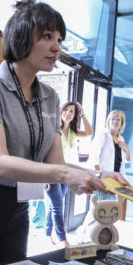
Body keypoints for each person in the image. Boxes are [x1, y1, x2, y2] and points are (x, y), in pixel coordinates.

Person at [0, 1, 126, 265]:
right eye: (47, 36)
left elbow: (56, 163)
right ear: (20, 38)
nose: (57, 47)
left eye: (59, 39)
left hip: (16, 208)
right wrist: (65, 175)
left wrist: (99, 175)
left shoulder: (49, 97)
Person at [44, 101, 93, 246]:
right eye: (66, 110)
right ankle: (62, 239)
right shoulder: (54, 130)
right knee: (58, 207)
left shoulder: (72, 132)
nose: (68, 113)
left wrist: (83, 114)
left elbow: (90, 132)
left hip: (66, 174)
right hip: (52, 173)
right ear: (60, 112)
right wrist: (44, 178)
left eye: (72, 111)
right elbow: (44, 152)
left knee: (55, 205)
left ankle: (47, 233)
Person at [89, 109, 131, 198]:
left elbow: (126, 161)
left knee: (112, 205)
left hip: (117, 181)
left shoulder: (121, 139)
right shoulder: (103, 135)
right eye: (113, 119)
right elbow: (94, 158)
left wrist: (127, 148)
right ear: (108, 121)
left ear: (122, 123)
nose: (115, 121)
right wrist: (100, 177)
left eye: (118, 119)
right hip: (103, 180)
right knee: (101, 204)